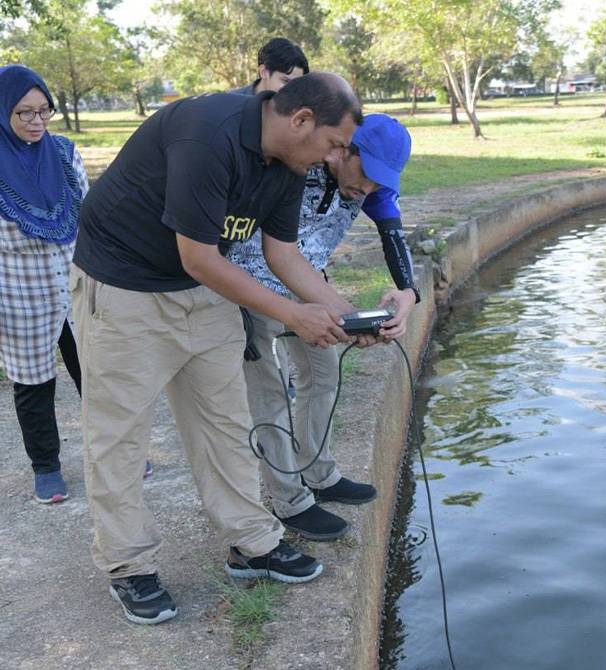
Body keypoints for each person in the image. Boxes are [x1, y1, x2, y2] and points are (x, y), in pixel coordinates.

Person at [70, 72, 363, 625]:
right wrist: (294, 315)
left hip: (202, 290)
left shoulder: (291, 164)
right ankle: (128, 565)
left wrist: (350, 316)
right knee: (120, 434)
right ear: (301, 120)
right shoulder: (209, 132)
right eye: (334, 144)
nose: (334, 158)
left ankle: (250, 542)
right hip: (124, 284)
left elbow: (285, 256)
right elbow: (199, 256)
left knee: (225, 421)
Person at [230, 113, 418, 540]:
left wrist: (408, 293)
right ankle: (290, 501)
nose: (368, 189)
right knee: (270, 395)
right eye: (367, 175)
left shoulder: (367, 186)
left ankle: (320, 474)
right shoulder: (298, 164)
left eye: (379, 182)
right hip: (252, 291)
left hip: (310, 285)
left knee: (324, 376)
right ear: (345, 148)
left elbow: (393, 236)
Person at [0, 65, 86, 504]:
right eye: (23, 113)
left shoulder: (66, 153)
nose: (37, 122)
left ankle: (112, 452)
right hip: (19, 296)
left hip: (76, 286)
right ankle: (47, 467)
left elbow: (87, 219)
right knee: (33, 386)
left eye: (44, 111)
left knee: (97, 375)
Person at [232, 38, 309, 96]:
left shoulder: (301, 110)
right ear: (264, 72)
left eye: (296, 84)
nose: (292, 90)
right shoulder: (231, 105)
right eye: (285, 81)